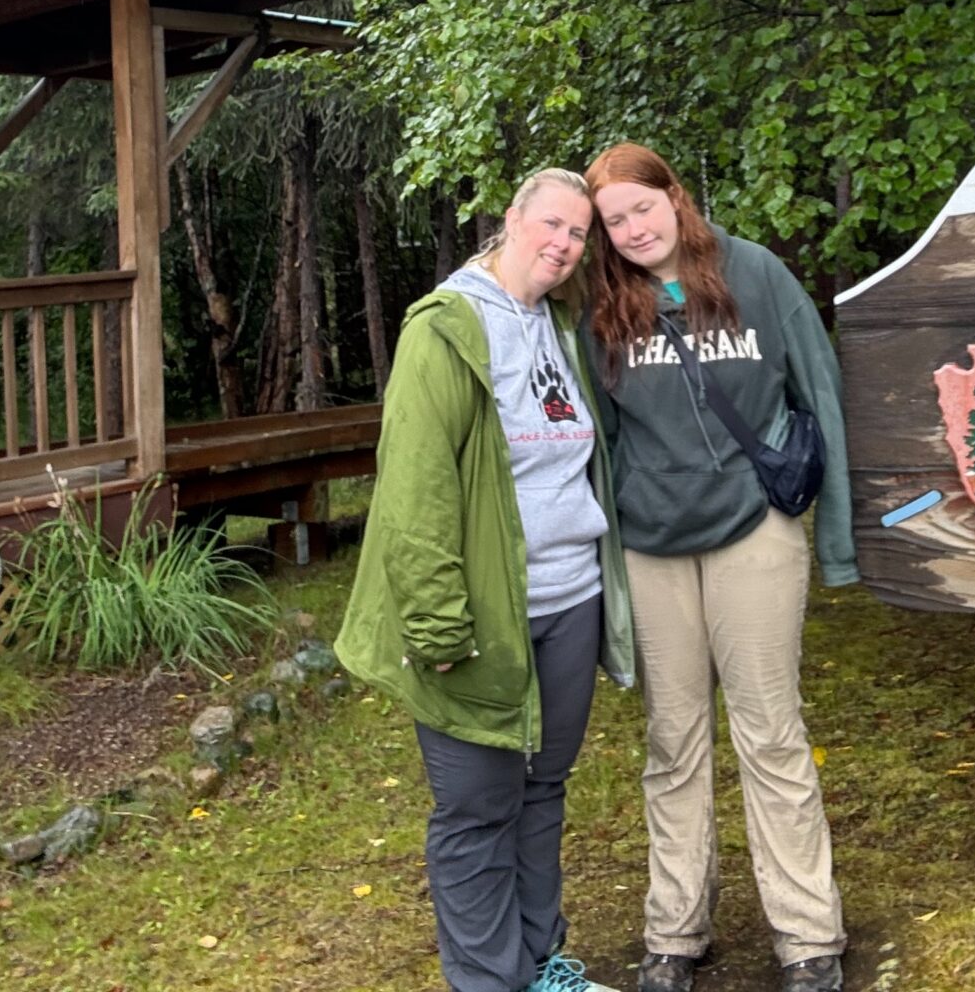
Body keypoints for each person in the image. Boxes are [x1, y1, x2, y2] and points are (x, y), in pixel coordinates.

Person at [339, 168, 637, 992]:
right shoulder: (447, 328)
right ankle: (487, 981)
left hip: (570, 599)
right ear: (509, 219)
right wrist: (437, 625)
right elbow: (415, 488)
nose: (562, 245)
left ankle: (544, 968)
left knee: (543, 793)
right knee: (476, 811)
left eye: (578, 235)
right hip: (479, 618)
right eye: (550, 225)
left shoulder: (560, 321)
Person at [583, 144, 855, 992]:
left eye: (641, 208)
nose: (632, 230)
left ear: (674, 194)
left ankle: (809, 938)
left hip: (754, 530)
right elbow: (600, 434)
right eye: (613, 221)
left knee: (771, 733)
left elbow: (820, 393)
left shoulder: (757, 275)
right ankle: (674, 932)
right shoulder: (600, 305)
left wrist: (837, 538)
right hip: (651, 542)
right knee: (673, 742)